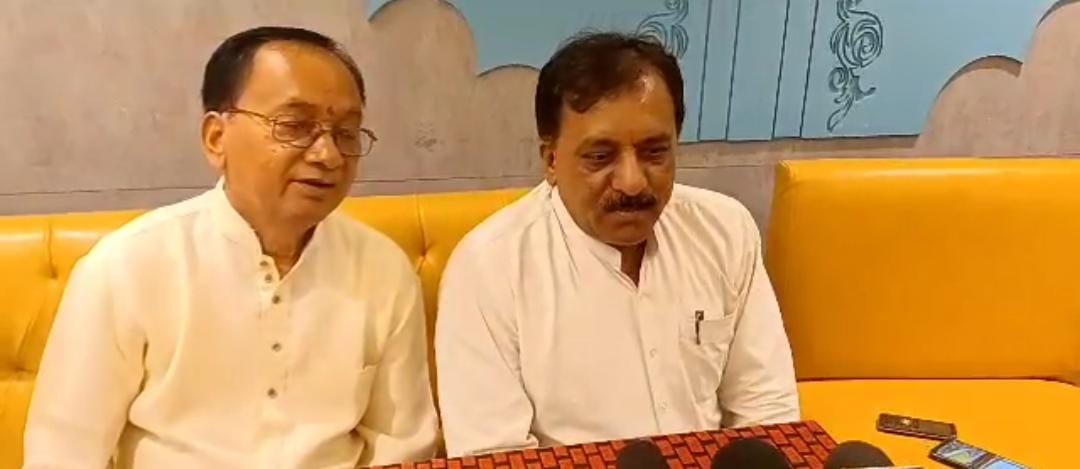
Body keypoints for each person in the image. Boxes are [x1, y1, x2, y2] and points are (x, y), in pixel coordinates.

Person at [23, 26, 438, 468]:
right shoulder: (127, 267)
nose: (328, 155)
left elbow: (402, 447)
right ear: (216, 138)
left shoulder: (382, 270)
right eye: (294, 126)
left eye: (346, 132)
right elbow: (63, 454)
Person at [435, 32, 799, 457]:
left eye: (654, 152)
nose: (632, 182)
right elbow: (497, 457)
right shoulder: (488, 269)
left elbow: (767, 413)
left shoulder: (724, 230)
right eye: (600, 157)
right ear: (551, 159)